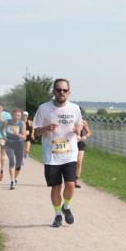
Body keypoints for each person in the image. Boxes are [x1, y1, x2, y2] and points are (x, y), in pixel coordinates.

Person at [33, 79, 83, 227]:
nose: (62, 92)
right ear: (53, 91)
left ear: (69, 92)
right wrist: (46, 128)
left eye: (64, 90)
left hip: (70, 153)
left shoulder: (75, 108)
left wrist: (78, 129)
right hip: (52, 155)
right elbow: (36, 132)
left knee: (71, 184)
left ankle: (66, 207)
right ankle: (57, 215)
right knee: (56, 187)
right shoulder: (44, 108)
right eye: (59, 90)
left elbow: (79, 123)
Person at [4, 108, 27, 189]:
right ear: (12, 115)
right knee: (11, 160)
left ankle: (15, 178)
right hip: (9, 144)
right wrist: (3, 137)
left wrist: (18, 134)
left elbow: (24, 137)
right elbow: (1, 130)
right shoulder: (7, 122)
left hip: (19, 144)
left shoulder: (22, 123)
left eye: (19, 116)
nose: (17, 117)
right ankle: (12, 180)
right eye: (16, 115)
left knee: (18, 164)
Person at [75, 118, 92, 187]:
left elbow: (89, 133)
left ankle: (75, 180)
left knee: (79, 162)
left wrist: (85, 136)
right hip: (71, 143)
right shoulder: (70, 121)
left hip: (80, 143)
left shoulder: (83, 122)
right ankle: (69, 179)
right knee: (72, 162)